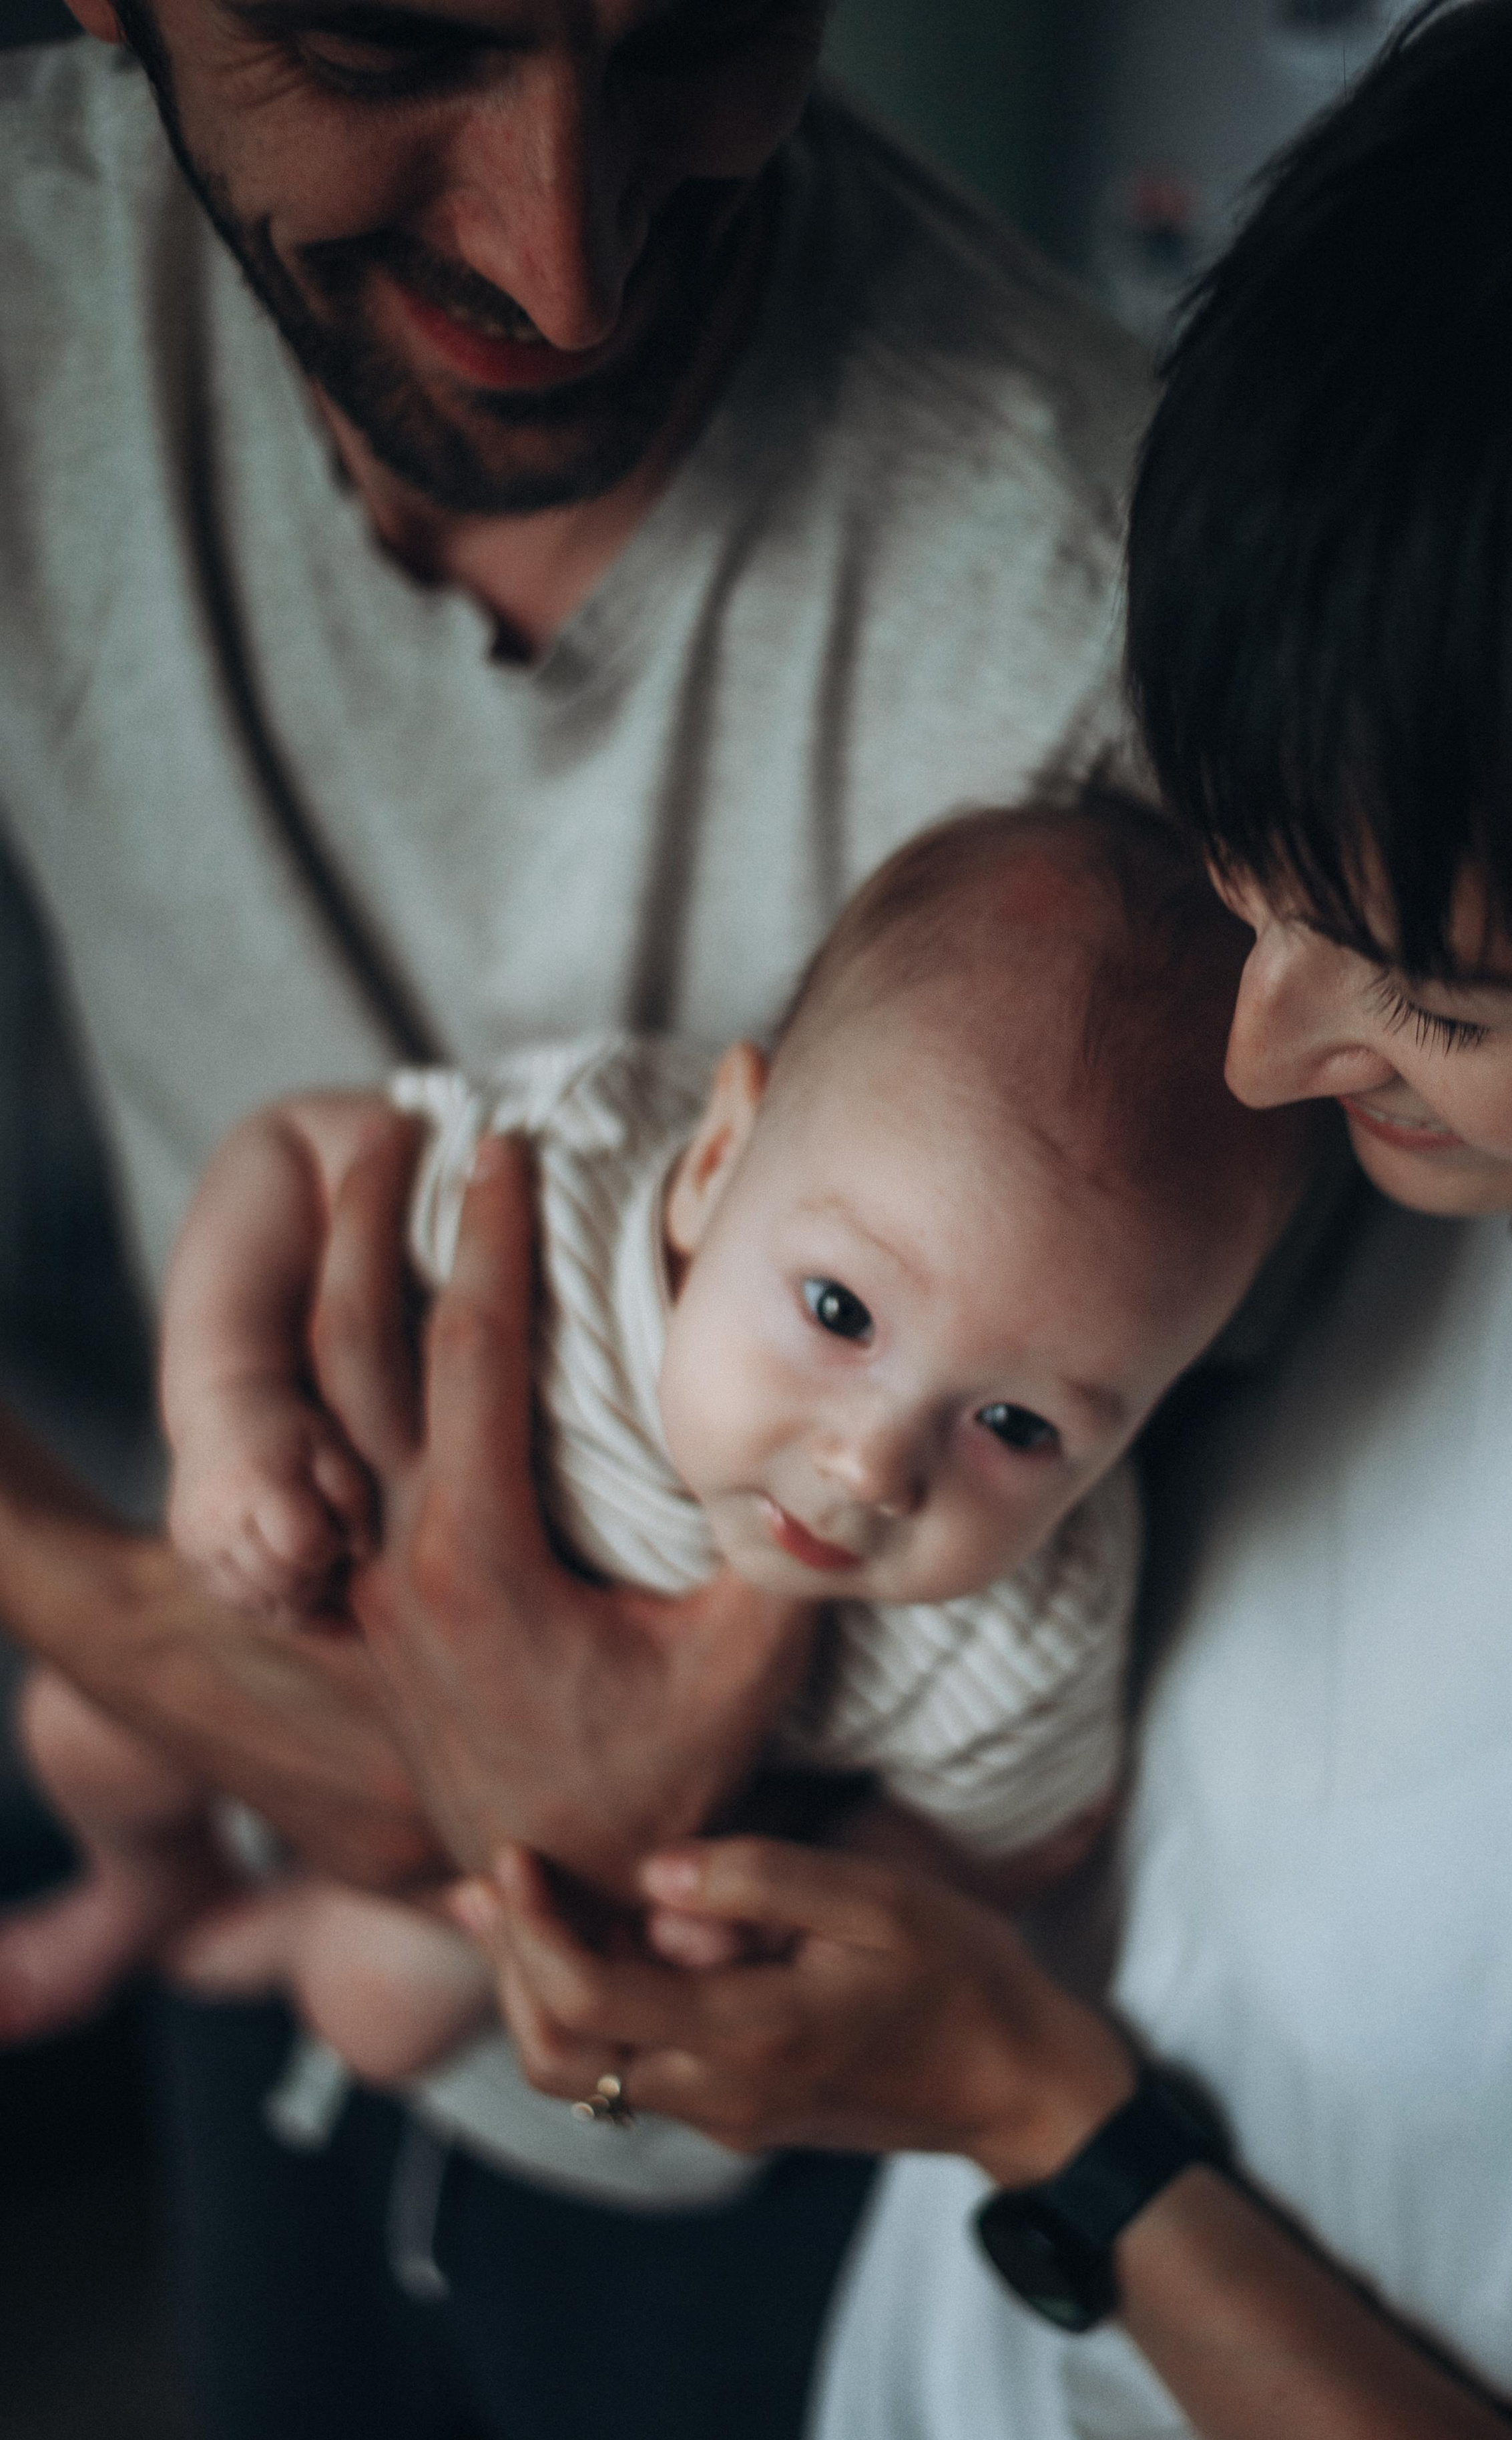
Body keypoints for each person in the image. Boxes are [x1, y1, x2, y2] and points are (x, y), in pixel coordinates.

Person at [444, 4, 1512, 2440]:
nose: (1261, 1045)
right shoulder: (1414, 1117)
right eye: (1256, 889)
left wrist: (1045, 2112)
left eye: (1429, 987)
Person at [0, 3, 1154, 2440]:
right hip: (213, 1670)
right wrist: (149, 1616)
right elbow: (323, 1167)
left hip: (728, 2146)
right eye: (386, 32)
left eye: (702, 37)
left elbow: (1038, 1813)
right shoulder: (28, 295)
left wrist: (609, 1860)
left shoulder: (1130, 651)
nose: (569, 249)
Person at [5, 801, 1316, 2098]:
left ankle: (276, 1933)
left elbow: (1005, 1844)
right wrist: (229, 1405)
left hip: (511, 1886)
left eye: (1018, 1428)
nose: (868, 1468)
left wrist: (796, 1902)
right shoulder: (577, 1177)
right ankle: (142, 1893)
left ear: (1139, 1418)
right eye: (839, 1311)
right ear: (714, 1158)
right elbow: (292, 1152)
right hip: (294, 1614)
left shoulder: (1024, 1631)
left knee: (373, 2010)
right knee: (77, 1730)